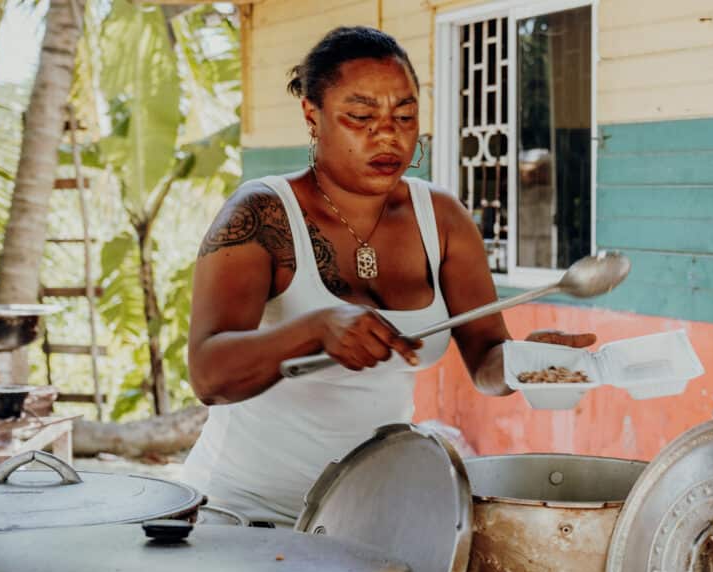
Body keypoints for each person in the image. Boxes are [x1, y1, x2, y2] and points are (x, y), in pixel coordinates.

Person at [183, 26, 592, 526]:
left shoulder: (441, 219)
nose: (388, 135)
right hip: (240, 515)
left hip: (370, 514)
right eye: (360, 117)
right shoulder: (263, 215)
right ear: (313, 117)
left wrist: (527, 362)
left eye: (405, 115)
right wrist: (314, 330)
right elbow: (209, 375)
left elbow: (486, 358)